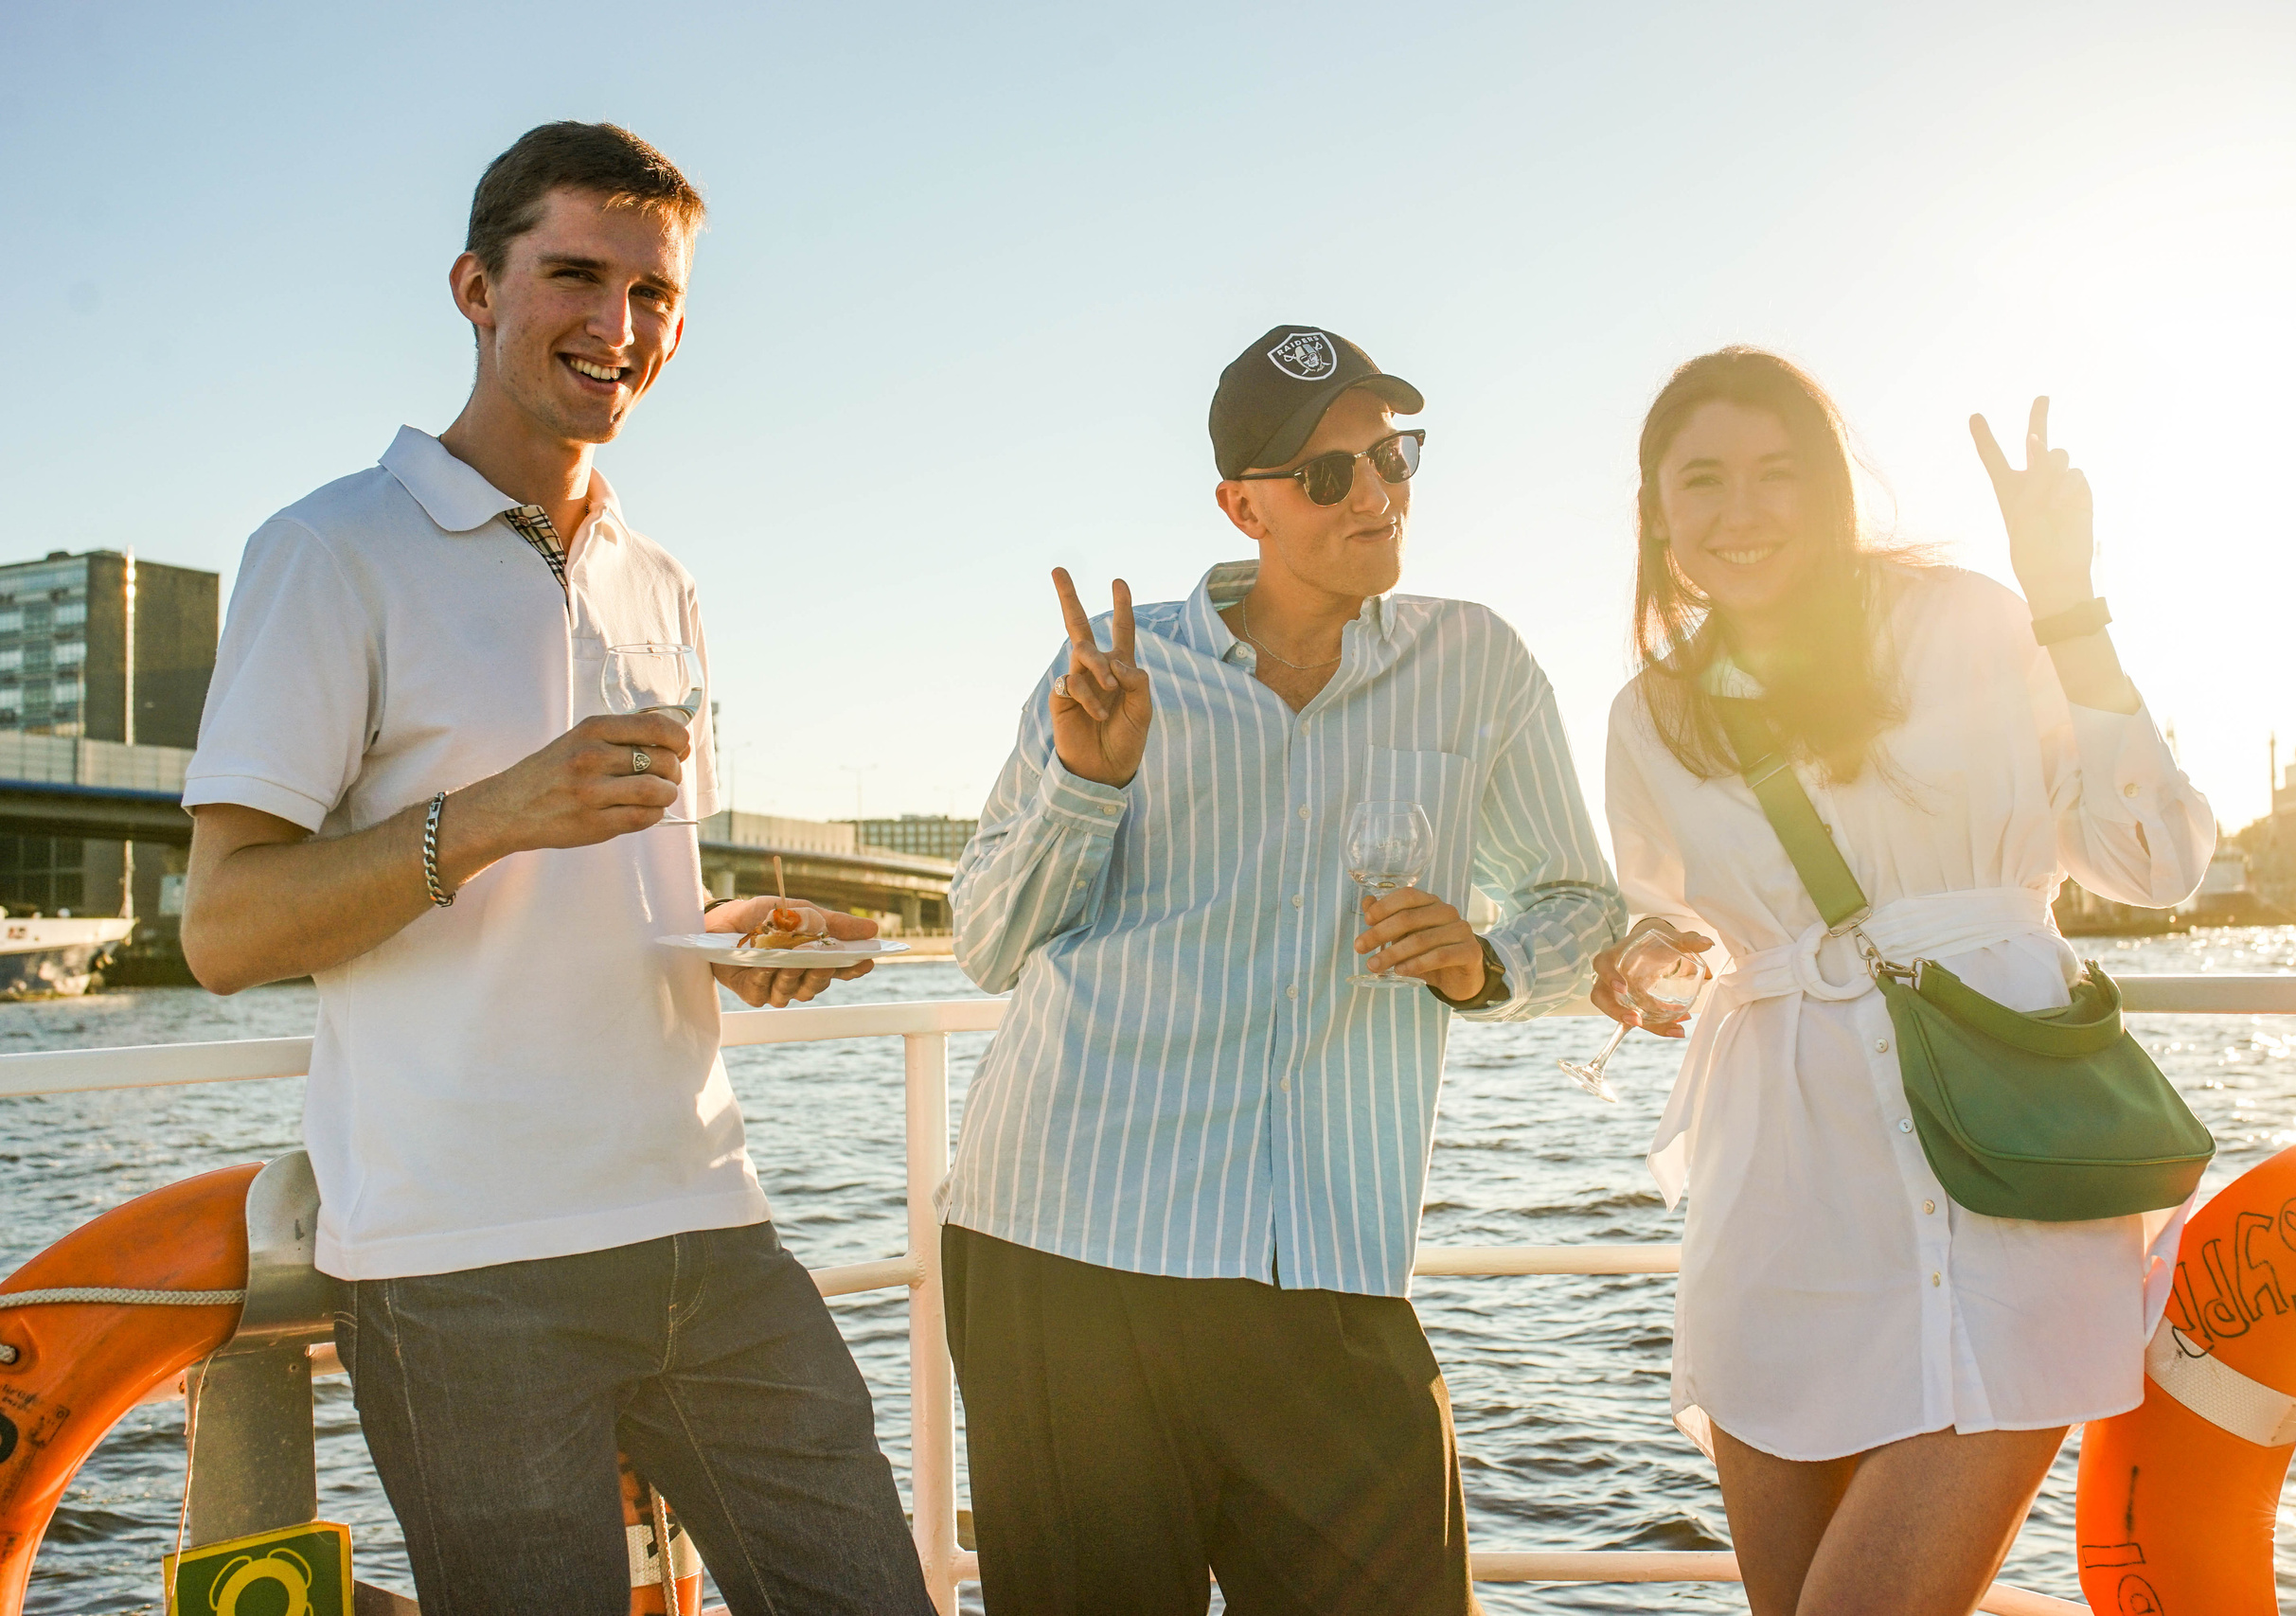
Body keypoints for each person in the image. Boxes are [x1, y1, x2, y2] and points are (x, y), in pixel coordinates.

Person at [178, 121, 934, 1615]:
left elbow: (643, 893)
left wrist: (743, 932)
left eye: (655, 295)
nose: (618, 326)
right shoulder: (329, 552)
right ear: (477, 287)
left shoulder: (666, 581)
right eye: (576, 276)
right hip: (463, 1263)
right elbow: (223, 927)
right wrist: (498, 813)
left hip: (705, 1217)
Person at [942, 324, 1623, 1615]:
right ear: (1241, 506)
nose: (1376, 494)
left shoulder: (1474, 664)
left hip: (1330, 1259)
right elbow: (986, 938)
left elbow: (1581, 902)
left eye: (1392, 457)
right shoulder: (1114, 670)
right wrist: (1088, 785)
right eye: (1327, 475)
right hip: (1070, 1251)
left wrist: (1487, 963)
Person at [1593, 347, 2215, 1615]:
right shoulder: (1650, 717)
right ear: (1655, 514)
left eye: (1776, 473)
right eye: (1701, 480)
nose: (1741, 510)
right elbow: (1689, 926)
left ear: (1831, 491)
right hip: (1781, 1213)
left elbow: (2157, 862)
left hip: (2008, 1195)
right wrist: (1654, 958)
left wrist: (2069, 605)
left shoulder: (1966, 624)